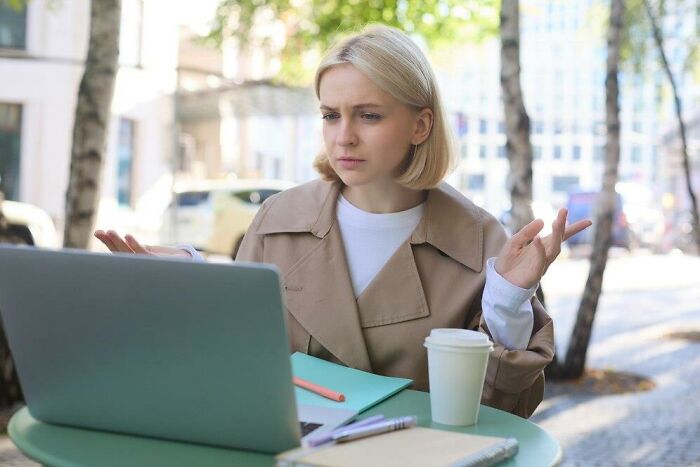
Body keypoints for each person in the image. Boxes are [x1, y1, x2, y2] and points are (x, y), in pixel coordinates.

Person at [95, 25, 591, 418]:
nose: (343, 137)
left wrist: (507, 302)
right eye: (331, 115)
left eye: (369, 116)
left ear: (421, 125)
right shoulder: (276, 220)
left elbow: (507, 411)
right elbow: (237, 368)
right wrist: (195, 283)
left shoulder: (482, 241)